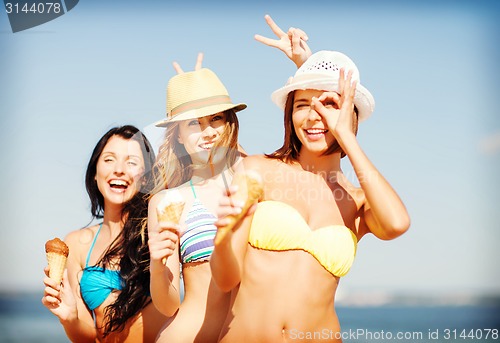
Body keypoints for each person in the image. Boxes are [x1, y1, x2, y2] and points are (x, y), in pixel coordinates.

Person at [210, 50, 411, 342]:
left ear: (350, 116)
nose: (313, 115)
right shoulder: (258, 170)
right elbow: (226, 279)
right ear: (289, 114)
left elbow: (397, 224)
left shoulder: (356, 201)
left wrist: (348, 139)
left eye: (329, 104)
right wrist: (223, 239)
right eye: (302, 104)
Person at [147, 16, 311, 343]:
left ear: (229, 121)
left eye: (216, 119)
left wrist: (304, 66)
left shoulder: (257, 173)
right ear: (177, 134)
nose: (207, 132)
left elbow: (309, 147)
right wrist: (156, 265)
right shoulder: (166, 202)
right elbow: (169, 305)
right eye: (193, 124)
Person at [42, 125, 167, 342]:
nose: (119, 169)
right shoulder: (76, 244)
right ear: (95, 174)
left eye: (131, 162)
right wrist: (69, 318)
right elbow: (88, 337)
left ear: (145, 178)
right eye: (109, 159)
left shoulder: (158, 234)